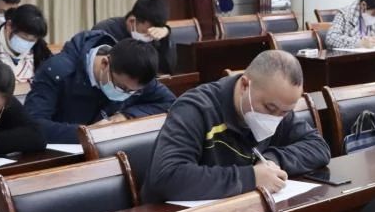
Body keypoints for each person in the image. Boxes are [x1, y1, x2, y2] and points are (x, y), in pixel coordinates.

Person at [141, 50, 331, 203]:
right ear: (245, 85)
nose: (275, 118)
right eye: (269, 108)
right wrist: (251, 178)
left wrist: (272, 160)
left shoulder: (278, 108)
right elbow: (167, 177)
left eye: (285, 112)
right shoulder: (196, 109)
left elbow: (318, 146)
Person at [24, 32, 173, 143]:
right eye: (121, 87)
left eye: (133, 92)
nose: (125, 94)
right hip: (62, 156)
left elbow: (170, 103)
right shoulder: (57, 71)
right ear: (105, 63)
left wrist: (127, 116)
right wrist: (89, 133)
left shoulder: (137, 74)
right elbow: (33, 124)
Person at [92, 0, 176, 75]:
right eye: (146, 32)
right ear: (132, 21)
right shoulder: (104, 31)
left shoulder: (156, 35)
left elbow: (167, 70)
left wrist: (166, 35)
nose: (150, 36)